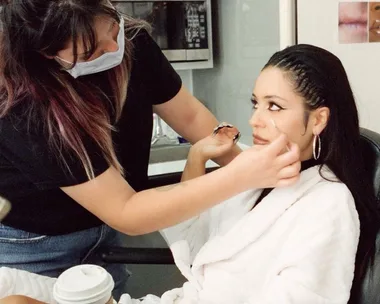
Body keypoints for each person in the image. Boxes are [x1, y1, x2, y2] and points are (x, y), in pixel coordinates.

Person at [2, 43, 379, 304]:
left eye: (275, 107)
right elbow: (197, 245)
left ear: (318, 118)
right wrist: (197, 157)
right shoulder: (256, 173)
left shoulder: (329, 204)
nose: (255, 120)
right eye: (255, 104)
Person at [0, 0, 301, 301]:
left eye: (112, 27)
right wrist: (242, 175)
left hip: (102, 234)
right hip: (34, 249)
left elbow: (192, 117)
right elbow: (126, 211)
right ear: (45, 54)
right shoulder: (22, 106)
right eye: (90, 52)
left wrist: (252, 168)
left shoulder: (131, 42)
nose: (112, 47)